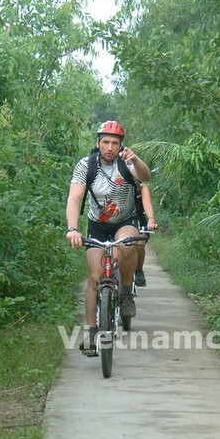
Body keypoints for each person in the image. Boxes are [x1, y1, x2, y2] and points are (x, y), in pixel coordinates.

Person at [65, 120, 151, 355]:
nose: (110, 147)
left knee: (125, 246)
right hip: (97, 226)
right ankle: (92, 333)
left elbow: (146, 177)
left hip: (125, 221)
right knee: (94, 278)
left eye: (115, 143)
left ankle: (125, 293)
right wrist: (73, 228)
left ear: (121, 145)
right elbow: (74, 199)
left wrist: (135, 160)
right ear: (98, 143)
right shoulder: (86, 165)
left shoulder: (127, 162)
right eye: (106, 142)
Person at [133, 182, 158, 288]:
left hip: (139, 221)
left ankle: (139, 271)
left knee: (139, 243)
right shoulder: (113, 184)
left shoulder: (141, 188)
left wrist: (151, 220)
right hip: (118, 221)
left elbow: (147, 204)